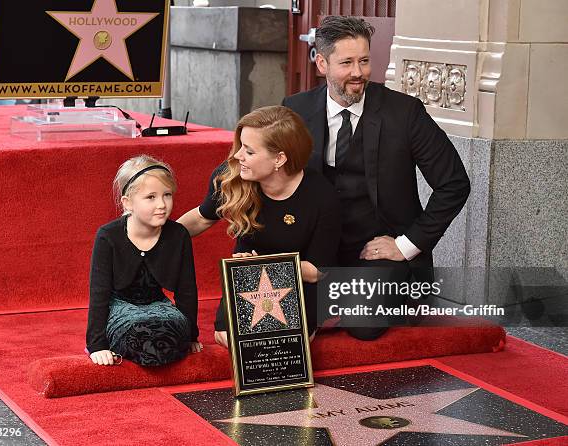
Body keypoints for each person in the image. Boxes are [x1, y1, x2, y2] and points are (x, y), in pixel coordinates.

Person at [282, 16, 471, 340]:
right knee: (277, 317)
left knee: (364, 325)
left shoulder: (405, 113)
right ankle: (328, 300)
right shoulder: (295, 110)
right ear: (322, 64)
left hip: (379, 253)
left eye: (365, 61)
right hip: (317, 250)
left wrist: (406, 245)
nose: (358, 72)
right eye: (347, 62)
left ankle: (347, 300)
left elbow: (454, 182)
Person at [178, 105, 341, 348]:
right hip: (246, 278)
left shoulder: (322, 196)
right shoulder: (233, 176)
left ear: (279, 159)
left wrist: (264, 266)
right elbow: (202, 218)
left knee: (286, 343)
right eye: (241, 145)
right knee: (227, 337)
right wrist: (154, 235)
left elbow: (317, 271)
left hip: (299, 282)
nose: (237, 156)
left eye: (250, 151)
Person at [86, 155, 202, 366]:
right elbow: (99, 293)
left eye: (167, 195)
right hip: (121, 306)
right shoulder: (108, 236)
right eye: (151, 197)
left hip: (158, 306)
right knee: (140, 334)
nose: (162, 204)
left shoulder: (178, 235)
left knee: (170, 332)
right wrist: (97, 345)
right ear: (128, 203)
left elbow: (187, 289)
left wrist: (191, 334)